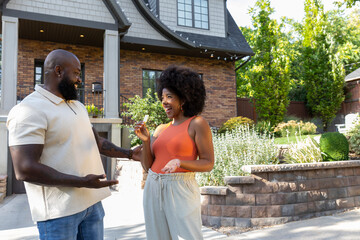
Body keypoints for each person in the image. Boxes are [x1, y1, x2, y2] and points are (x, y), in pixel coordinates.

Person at [6, 49, 141, 240]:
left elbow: (95, 142)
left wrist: (128, 153)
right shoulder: (28, 110)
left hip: (92, 206)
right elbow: (24, 169)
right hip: (59, 215)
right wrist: (81, 182)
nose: (80, 80)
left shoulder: (77, 106)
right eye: (76, 73)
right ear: (59, 71)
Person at [134, 65, 214, 240]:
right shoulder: (160, 129)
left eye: (169, 96)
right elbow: (148, 166)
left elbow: (208, 162)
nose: (164, 102)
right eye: (162, 97)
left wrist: (180, 162)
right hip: (153, 185)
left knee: (188, 236)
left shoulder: (197, 123)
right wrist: (146, 141)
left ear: (183, 98)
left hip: (180, 188)